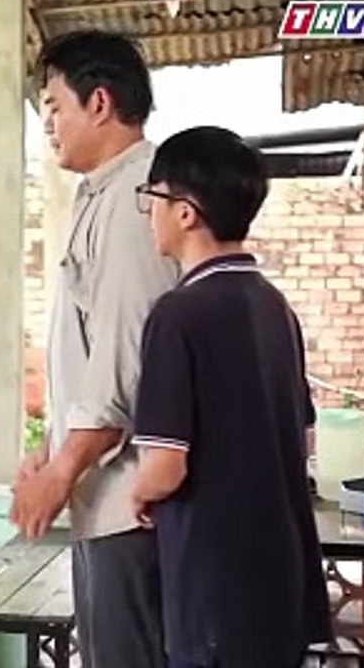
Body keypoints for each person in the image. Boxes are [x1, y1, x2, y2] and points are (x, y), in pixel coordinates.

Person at [129, 126, 332, 668]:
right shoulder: (274, 306)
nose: (148, 213)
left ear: (185, 212)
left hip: (214, 585)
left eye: (152, 197)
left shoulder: (177, 315)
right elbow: (303, 438)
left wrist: (138, 492)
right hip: (282, 576)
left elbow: (165, 467)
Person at [8, 29, 179, 667]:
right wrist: (52, 449)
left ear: (99, 103)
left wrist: (61, 472)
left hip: (129, 509)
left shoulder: (138, 202)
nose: (48, 124)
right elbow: (89, 349)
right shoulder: (103, 192)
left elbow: (124, 363)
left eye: (55, 106)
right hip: (100, 499)